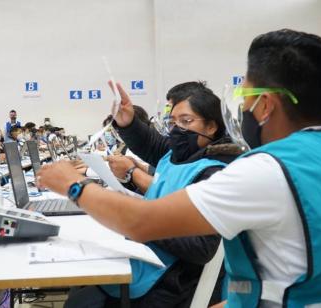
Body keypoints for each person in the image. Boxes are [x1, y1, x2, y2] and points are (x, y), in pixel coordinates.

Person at [37, 29, 321, 307]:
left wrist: (74, 185)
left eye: (245, 95)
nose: (243, 107)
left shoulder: (267, 171)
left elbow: (140, 223)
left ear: (265, 105)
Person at [66, 83, 240, 308]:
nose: (177, 129)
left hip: (174, 282)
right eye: (173, 121)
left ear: (211, 127)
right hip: (152, 261)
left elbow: (202, 248)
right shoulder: (180, 156)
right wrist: (127, 120)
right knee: (84, 283)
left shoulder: (213, 173)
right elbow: (150, 142)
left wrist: (141, 222)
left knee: (83, 301)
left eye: (186, 121)